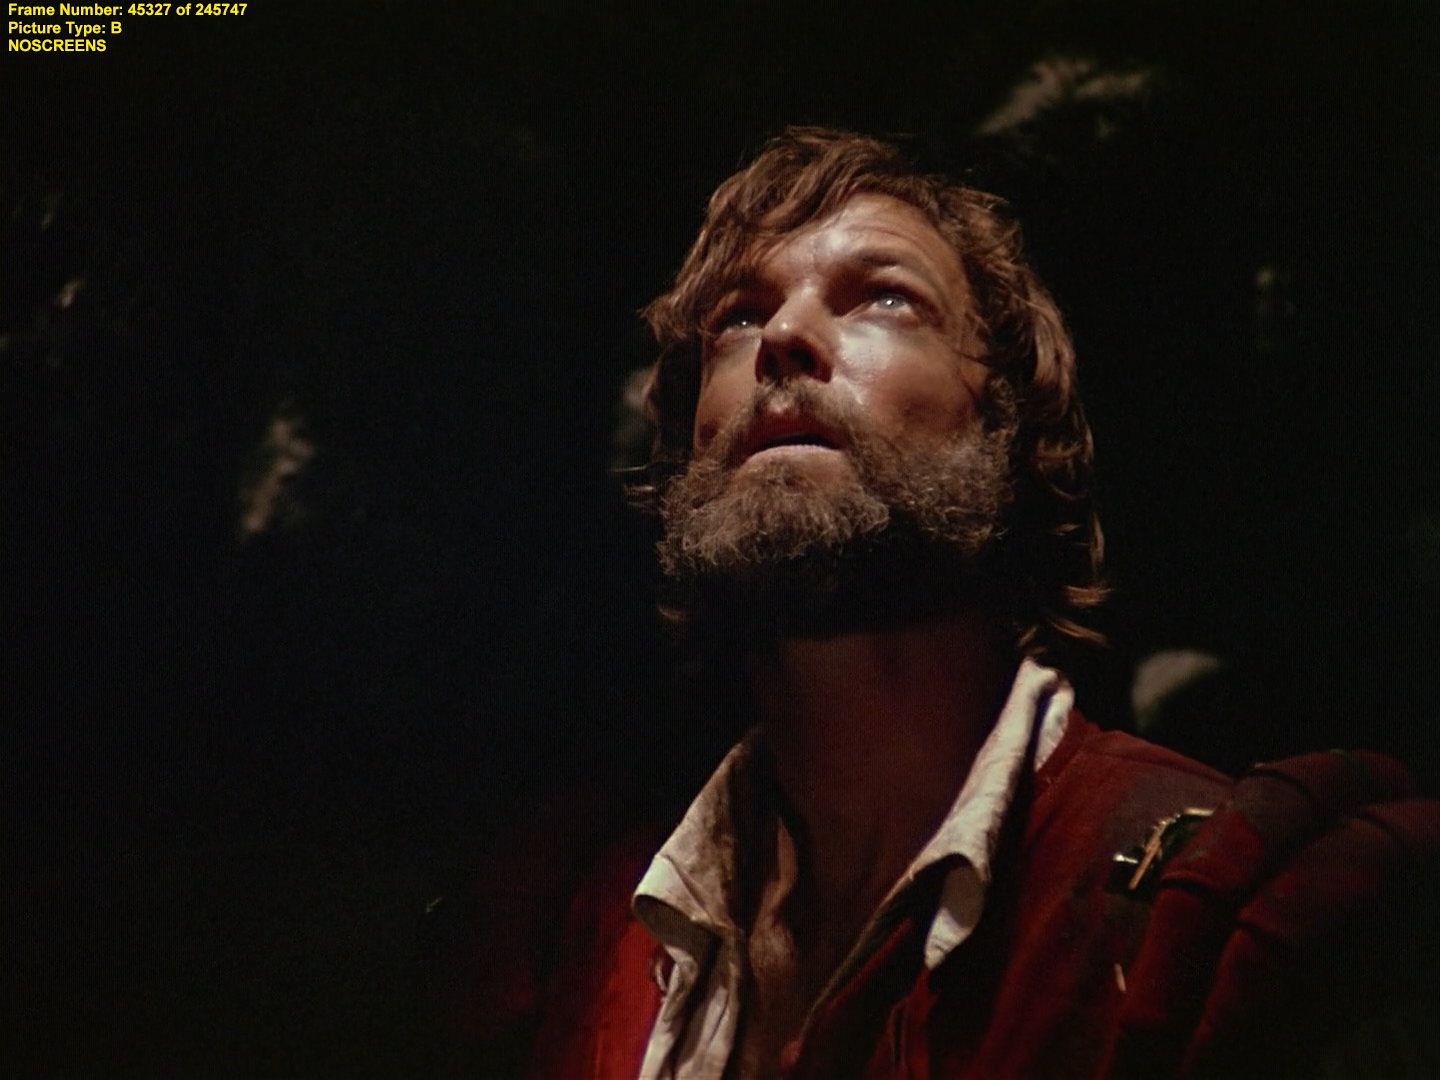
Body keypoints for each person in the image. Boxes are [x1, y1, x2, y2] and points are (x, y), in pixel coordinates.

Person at [482, 129, 1438, 1079]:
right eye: (737, 317)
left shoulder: (1221, 913)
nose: (780, 337)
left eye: (886, 297)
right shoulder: (592, 931)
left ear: (1010, 430)